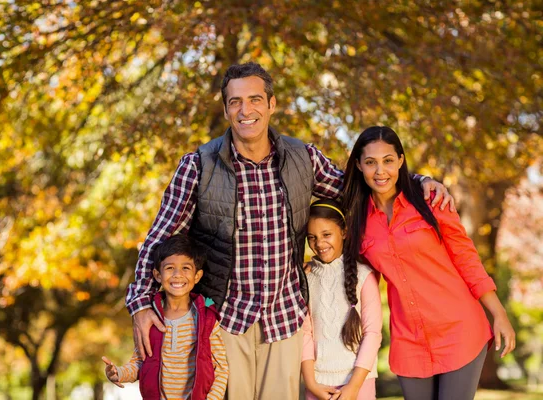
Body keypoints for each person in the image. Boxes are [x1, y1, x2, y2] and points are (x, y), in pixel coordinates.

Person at [125, 62, 453, 399]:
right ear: (225, 109)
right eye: (235, 102)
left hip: (283, 322)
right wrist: (139, 303)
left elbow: (360, 187)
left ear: (271, 104)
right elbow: (161, 237)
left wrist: (418, 181)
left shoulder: (303, 159)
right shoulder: (198, 166)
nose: (245, 110)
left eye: (254, 99)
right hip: (223, 322)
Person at [340, 126, 516, 400]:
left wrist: (498, 313)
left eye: (388, 160)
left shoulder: (431, 201)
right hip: (409, 340)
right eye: (371, 162)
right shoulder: (358, 221)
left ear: (400, 160)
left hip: (459, 328)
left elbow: (466, 258)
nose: (380, 171)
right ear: (359, 166)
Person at [103, 235, 228, 400]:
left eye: (185, 268)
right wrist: (118, 373)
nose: (177, 274)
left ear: (197, 276)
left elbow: (220, 368)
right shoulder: (149, 318)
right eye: (170, 268)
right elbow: (140, 363)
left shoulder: (207, 319)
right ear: (157, 275)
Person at [301, 199, 382, 400]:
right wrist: (311, 383)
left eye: (326, 234)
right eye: (312, 237)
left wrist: (353, 387)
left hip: (359, 383)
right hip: (319, 385)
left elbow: (372, 334)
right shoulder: (306, 278)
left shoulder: (363, 277)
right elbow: (305, 334)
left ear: (344, 232)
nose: (319, 243)